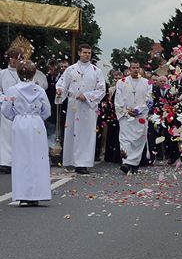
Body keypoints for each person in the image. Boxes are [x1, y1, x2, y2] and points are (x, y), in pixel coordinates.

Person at [0, 60, 52, 206]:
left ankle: (23, 194)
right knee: (37, 157)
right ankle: (37, 193)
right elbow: (47, 110)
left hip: (20, 123)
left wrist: (16, 117)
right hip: (36, 124)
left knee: (21, 157)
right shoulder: (39, 90)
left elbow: (5, 109)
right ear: (34, 73)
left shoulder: (12, 90)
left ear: (18, 73)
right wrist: (37, 118)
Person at [55, 44, 106, 174]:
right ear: (79, 53)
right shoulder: (70, 70)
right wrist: (60, 90)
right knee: (72, 132)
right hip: (73, 106)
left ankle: (83, 163)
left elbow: (102, 90)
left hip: (88, 107)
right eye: (84, 52)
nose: (87, 55)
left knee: (86, 135)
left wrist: (88, 96)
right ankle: (71, 161)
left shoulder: (96, 71)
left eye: (89, 53)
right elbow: (62, 83)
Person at [114, 61, 153, 174]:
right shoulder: (121, 82)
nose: (135, 69)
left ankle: (134, 163)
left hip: (140, 116)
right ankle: (126, 162)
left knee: (138, 141)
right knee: (125, 140)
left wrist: (138, 110)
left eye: (137, 67)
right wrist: (126, 111)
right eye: (133, 67)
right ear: (129, 69)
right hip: (126, 116)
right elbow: (118, 99)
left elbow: (149, 100)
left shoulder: (147, 82)